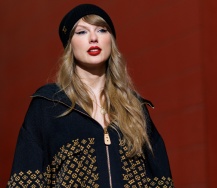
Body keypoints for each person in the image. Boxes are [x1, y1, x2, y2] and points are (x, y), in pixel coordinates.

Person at [7, 4, 173, 188]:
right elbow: (24, 181)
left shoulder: (134, 107)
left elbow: (161, 179)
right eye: (81, 32)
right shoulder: (47, 106)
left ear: (111, 40)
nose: (93, 38)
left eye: (102, 30)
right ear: (69, 45)